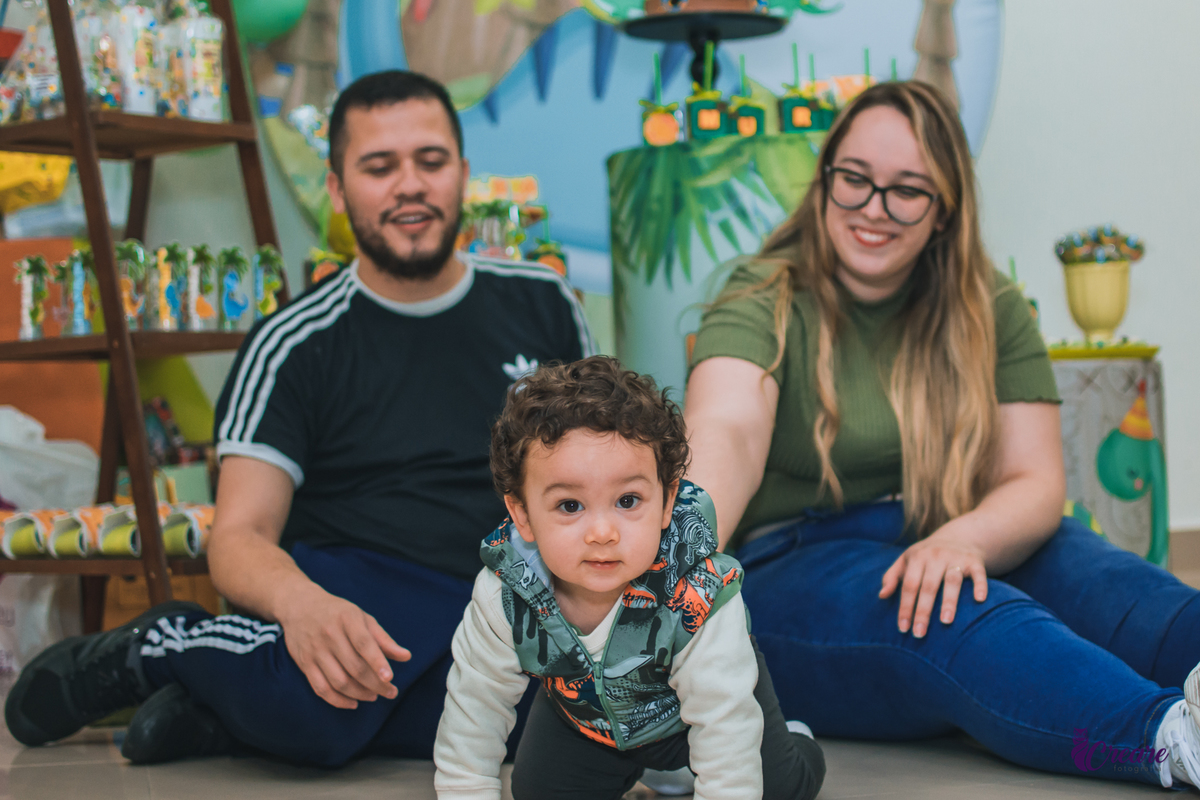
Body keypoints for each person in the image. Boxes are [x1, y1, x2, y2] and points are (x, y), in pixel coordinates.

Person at [4, 70, 595, 767]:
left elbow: (592, 475)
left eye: (430, 161)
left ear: (462, 174)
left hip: (506, 589)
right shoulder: (294, 342)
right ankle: (160, 646)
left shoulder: (545, 304)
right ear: (340, 191)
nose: (410, 185)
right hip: (359, 585)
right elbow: (240, 536)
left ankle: (222, 710)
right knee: (319, 710)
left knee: (561, 722)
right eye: (379, 167)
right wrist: (305, 609)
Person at [682, 79, 1200, 789]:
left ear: (945, 212)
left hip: (949, 530)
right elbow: (728, 429)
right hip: (793, 562)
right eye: (854, 180)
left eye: (908, 190)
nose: (874, 209)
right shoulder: (761, 294)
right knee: (962, 612)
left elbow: (1035, 481)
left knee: (1126, 595)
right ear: (825, 180)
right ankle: (1171, 741)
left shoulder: (991, 305)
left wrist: (964, 539)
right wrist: (674, 564)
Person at [433, 356, 825, 800]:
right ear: (522, 514)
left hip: (690, 713)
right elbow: (475, 707)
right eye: (569, 506)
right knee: (538, 791)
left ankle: (797, 741)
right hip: (587, 721)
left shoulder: (696, 593)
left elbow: (722, 716)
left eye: (627, 500)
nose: (603, 533)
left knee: (776, 787)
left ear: (666, 501)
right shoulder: (506, 594)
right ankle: (657, 773)